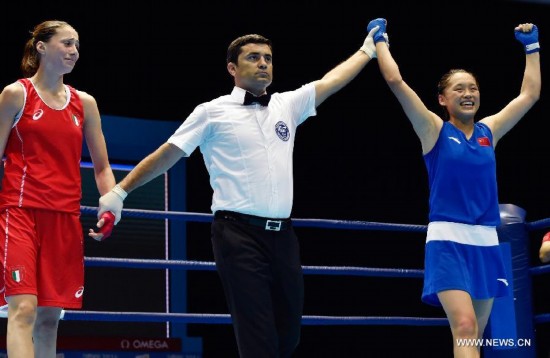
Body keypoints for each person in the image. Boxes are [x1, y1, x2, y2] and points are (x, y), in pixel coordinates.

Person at [95, 25, 381, 357]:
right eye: (254, 57)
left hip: (284, 236)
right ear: (232, 68)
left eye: (268, 59)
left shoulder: (286, 105)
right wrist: (120, 192)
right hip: (237, 235)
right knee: (257, 335)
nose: (263, 64)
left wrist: (367, 51)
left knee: (289, 334)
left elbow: (331, 82)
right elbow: (168, 153)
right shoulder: (211, 112)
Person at [372, 18, 540, 357]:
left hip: (486, 240)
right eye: (459, 89)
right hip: (447, 241)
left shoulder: (488, 132)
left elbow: (530, 95)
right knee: (463, 325)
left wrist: (532, 48)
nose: (468, 94)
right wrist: (379, 42)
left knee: (472, 336)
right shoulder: (433, 130)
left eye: (473, 88)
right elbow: (395, 80)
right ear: (443, 99)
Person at [0, 20, 116, 356]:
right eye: (66, 43)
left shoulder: (85, 103)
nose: (74, 51)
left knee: (50, 319)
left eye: (77, 45)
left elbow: (103, 166)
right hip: (19, 213)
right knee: (22, 310)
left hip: (64, 218)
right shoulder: (15, 95)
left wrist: (109, 204)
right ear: (41, 47)